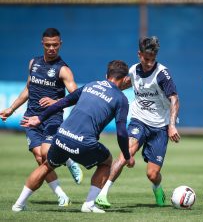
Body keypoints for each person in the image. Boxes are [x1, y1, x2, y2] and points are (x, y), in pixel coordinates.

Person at [12, 60, 135, 213]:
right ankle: (89, 204)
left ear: (106, 75)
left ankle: (18, 204)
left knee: (46, 166)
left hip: (61, 136)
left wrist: (39, 118)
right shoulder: (121, 99)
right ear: (124, 79)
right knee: (106, 162)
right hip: (83, 143)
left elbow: (62, 102)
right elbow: (122, 132)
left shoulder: (90, 85)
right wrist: (127, 155)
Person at [0, 28, 83, 207]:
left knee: (46, 152)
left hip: (52, 118)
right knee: (40, 158)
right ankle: (61, 195)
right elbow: (28, 89)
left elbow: (76, 96)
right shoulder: (33, 63)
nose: (51, 48)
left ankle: (67, 158)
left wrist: (56, 101)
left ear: (60, 44)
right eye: (48, 45)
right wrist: (11, 109)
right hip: (31, 118)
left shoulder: (63, 70)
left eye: (55, 45)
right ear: (42, 44)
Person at [96, 36, 180, 208]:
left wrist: (171, 125)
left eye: (152, 59)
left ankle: (158, 189)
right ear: (139, 54)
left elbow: (174, 99)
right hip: (138, 120)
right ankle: (102, 194)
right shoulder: (134, 70)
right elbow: (120, 85)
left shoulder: (162, 74)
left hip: (160, 127)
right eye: (146, 59)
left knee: (152, 174)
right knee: (126, 153)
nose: (149, 63)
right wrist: (102, 90)